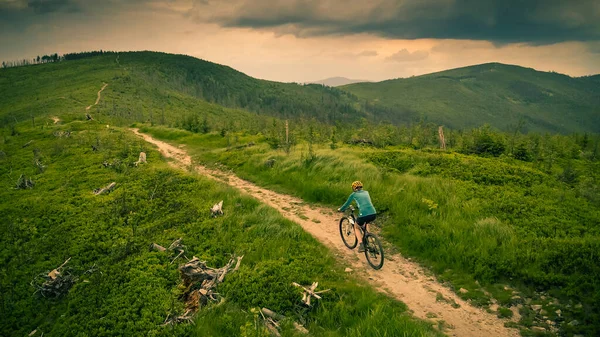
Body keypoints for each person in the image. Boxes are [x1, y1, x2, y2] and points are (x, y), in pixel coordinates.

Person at [338, 181, 376, 252]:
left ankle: (361, 245)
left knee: (356, 227)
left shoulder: (353, 194)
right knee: (366, 223)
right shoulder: (366, 192)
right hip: (373, 213)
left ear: (353, 188)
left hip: (364, 214)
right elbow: (365, 202)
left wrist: (341, 209)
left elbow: (346, 204)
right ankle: (368, 237)